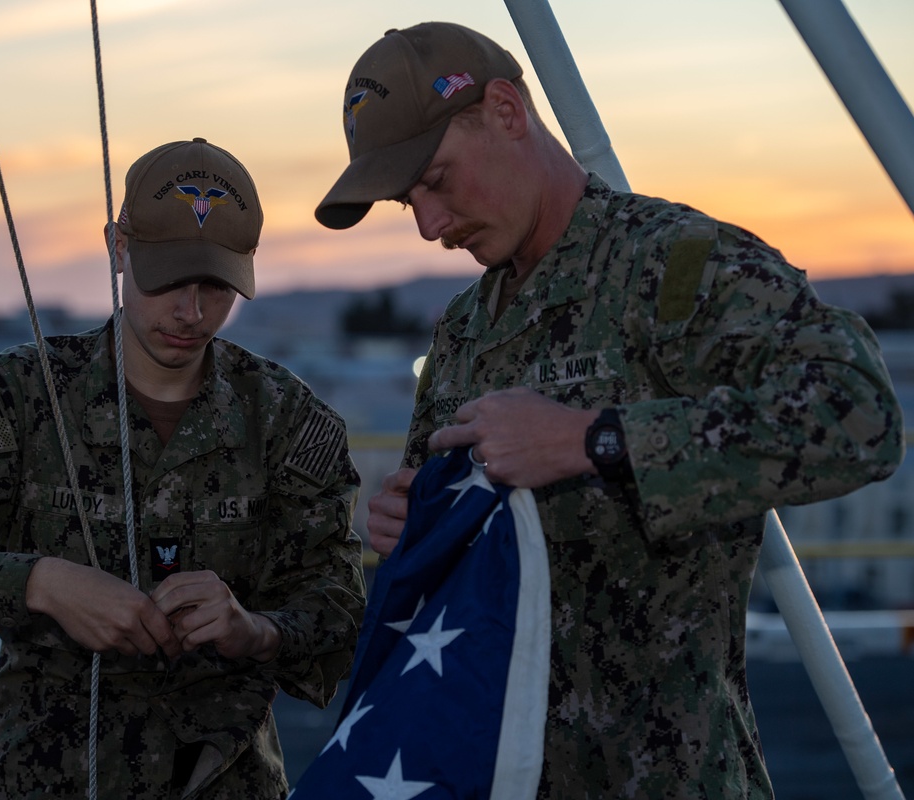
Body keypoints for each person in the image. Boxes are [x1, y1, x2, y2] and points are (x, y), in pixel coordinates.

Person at [315, 22, 906, 800]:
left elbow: (860, 415)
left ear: (506, 111)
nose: (429, 225)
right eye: (406, 202)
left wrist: (593, 440)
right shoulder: (463, 330)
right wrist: (407, 522)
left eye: (437, 180)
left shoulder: (674, 268)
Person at [0, 137, 366, 799]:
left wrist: (250, 630)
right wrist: (40, 583)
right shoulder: (16, 402)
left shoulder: (285, 423)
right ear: (118, 247)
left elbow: (339, 613)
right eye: (168, 279)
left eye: (216, 287)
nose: (191, 313)